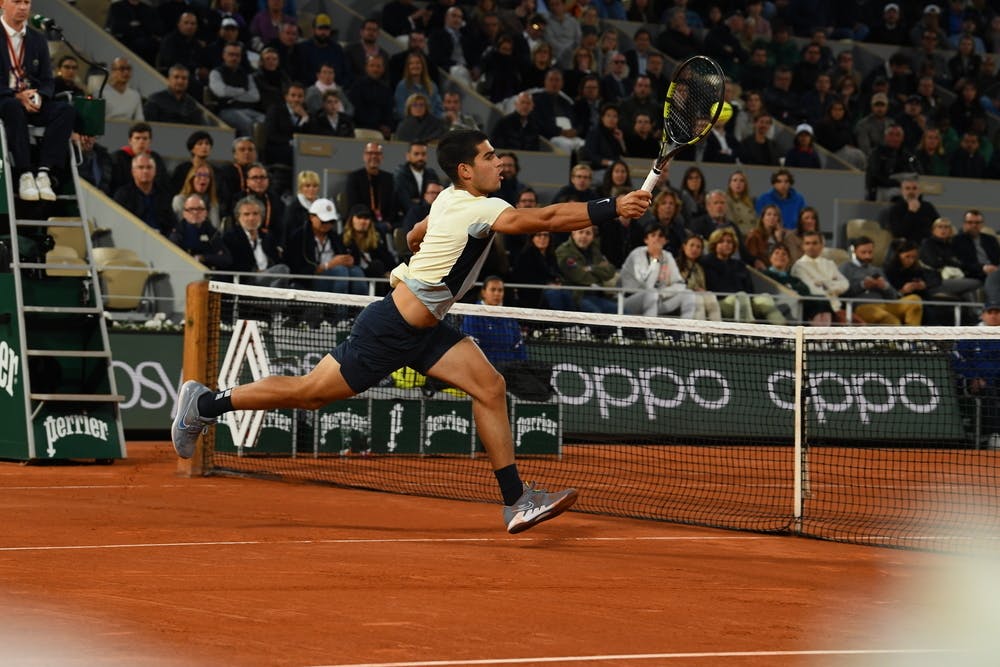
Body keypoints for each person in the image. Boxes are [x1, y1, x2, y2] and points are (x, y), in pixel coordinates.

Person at [171, 129, 651, 534]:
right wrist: (614, 206)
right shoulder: (479, 209)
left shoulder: (449, 198)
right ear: (466, 169)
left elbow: (413, 235)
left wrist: (426, 248)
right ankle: (205, 404)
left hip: (429, 328)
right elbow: (543, 218)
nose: (499, 162)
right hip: (391, 326)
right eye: (488, 157)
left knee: (490, 386)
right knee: (310, 393)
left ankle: (516, 500)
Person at [0, 0, 75, 202]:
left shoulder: (37, 39)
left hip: (31, 100)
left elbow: (48, 80)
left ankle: (44, 173)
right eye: (17, 1)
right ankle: (25, 173)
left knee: (66, 111)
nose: (23, 7)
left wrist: (40, 95)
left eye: (27, 2)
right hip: (5, 99)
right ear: (2, 3)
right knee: (13, 107)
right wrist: (16, 95)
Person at [700, 228, 785, 324]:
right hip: (720, 303)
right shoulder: (706, 263)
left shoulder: (739, 265)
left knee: (765, 298)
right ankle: (747, 331)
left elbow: (750, 289)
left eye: (729, 242)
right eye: (721, 242)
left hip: (744, 301)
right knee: (741, 296)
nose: (726, 244)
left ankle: (783, 332)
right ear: (714, 244)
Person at [840, 235, 923, 325]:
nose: (867, 256)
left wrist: (885, 286)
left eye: (870, 252)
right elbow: (842, 292)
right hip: (863, 307)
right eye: (863, 252)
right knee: (891, 320)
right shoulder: (846, 268)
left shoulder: (877, 270)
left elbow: (893, 296)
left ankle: (911, 336)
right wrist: (863, 285)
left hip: (884, 304)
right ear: (855, 252)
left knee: (914, 300)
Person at [285, 198, 364, 293]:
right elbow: (296, 269)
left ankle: (360, 307)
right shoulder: (298, 237)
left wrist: (346, 260)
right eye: (324, 221)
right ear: (311, 217)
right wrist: (328, 266)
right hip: (309, 281)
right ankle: (338, 307)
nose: (327, 225)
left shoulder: (334, 236)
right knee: (340, 271)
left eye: (331, 221)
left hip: (334, 275)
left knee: (356, 271)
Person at [621, 223, 696, 318]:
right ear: (646, 240)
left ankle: (686, 331)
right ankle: (651, 331)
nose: (657, 239)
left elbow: (679, 284)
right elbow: (647, 285)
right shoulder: (637, 254)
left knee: (688, 294)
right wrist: (656, 259)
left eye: (660, 236)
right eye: (653, 235)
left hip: (657, 299)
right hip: (629, 300)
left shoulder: (667, 256)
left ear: (665, 241)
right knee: (651, 293)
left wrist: (662, 293)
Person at [953, 301, 1000, 448]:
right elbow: (956, 358)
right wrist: (973, 377)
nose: (993, 316)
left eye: (997, 312)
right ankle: (994, 435)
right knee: (989, 390)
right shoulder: (971, 334)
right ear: (983, 315)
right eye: (990, 312)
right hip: (977, 382)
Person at [223, 196, 291, 287]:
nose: (251, 218)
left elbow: (276, 260)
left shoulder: (267, 237)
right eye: (246, 214)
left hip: (269, 279)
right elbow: (232, 265)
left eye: (255, 214)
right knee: (283, 270)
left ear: (261, 216)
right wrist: (256, 272)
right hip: (246, 282)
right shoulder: (231, 237)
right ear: (238, 218)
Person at [764, 243, 832, 325]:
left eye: (784, 254)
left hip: (799, 302)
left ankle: (823, 331)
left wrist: (790, 287)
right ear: (770, 257)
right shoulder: (765, 275)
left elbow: (805, 290)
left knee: (822, 299)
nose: (780, 256)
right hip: (781, 304)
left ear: (788, 259)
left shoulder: (793, 278)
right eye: (777, 253)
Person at [790, 230, 849, 319]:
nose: (811, 247)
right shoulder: (799, 266)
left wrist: (825, 284)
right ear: (803, 246)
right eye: (807, 243)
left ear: (822, 245)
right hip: (817, 309)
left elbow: (845, 283)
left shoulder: (829, 263)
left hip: (838, 307)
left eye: (814, 243)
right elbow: (812, 290)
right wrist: (833, 285)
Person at [112, 154, 175, 236]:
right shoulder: (122, 195)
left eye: (149, 167)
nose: (145, 171)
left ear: (155, 171)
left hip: (161, 240)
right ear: (133, 172)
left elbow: (171, 224)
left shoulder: (164, 194)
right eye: (141, 167)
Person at [169, 194, 232, 270]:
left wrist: (203, 258)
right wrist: (212, 256)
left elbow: (226, 259)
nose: (195, 212)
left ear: (206, 213)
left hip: (210, 275)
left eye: (199, 209)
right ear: (184, 214)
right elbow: (174, 260)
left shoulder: (212, 231)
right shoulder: (177, 234)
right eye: (191, 209)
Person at [344, 142, 397, 232]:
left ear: (382, 157)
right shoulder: (355, 177)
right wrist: (369, 221)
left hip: (385, 222)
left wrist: (389, 222)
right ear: (364, 156)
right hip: (363, 220)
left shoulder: (389, 178)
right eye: (370, 153)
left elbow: (394, 205)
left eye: (377, 154)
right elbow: (354, 206)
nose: (373, 156)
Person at [340, 205, 394, 284]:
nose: (363, 221)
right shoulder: (343, 240)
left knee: (377, 266)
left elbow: (389, 260)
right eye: (359, 217)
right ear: (351, 220)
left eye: (366, 218)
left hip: (375, 275)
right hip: (354, 276)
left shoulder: (376, 239)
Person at [674, 233, 722, 321]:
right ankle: (699, 333)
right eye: (692, 245)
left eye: (698, 247)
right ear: (684, 247)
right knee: (698, 299)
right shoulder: (675, 264)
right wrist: (694, 289)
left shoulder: (699, 267)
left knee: (711, 296)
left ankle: (717, 331)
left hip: (696, 294)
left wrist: (701, 290)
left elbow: (702, 286)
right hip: (679, 296)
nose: (695, 249)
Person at [393, 141, 442, 219]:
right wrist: (425, 201)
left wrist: (418, 201)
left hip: (431, 216)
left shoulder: (432, 174)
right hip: (406, 218)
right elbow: (406, 203)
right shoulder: (400, 175)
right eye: (416, 154)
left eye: (423, 154)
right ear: (408, 156)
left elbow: (438, 199)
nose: (420, 158)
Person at [886, 178, 940, 244]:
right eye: (907, 188)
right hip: (905, 245)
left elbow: (937, 227)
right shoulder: (895, 209)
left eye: (914, 188)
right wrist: (911, 213)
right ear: (902, 191)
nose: (911, 191)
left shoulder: (928, 207)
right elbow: (898, 233)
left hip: (927, 244)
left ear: (919, 191)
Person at [171, 164, 221, 229]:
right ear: (191, 178)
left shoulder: (213, 202)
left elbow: (215, 228)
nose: (203, 178)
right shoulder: (179, 200)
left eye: (206, 176)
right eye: (199, 175)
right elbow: (181, 226)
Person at [102, 57, 145, 122]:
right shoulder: (101, 93)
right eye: (122, 69)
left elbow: (139, 120)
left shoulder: (135, 95)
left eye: (128, 69)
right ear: (112, 71)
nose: (126, 72)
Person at [745, 205, 786, 270]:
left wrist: (779, 240)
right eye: (769, 214)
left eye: (775, 215)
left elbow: (783, 257)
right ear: (762, 218)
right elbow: (751, 258)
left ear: (778, 219)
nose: (772, 217)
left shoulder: (780, 235)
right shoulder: (754, 235)